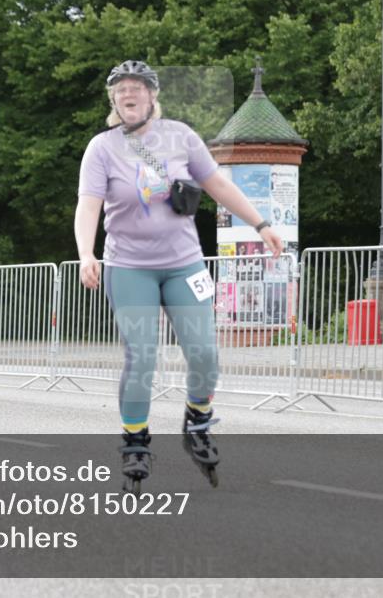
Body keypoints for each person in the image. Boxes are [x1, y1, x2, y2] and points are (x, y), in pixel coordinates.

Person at [74, 60, 283, 490]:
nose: (128, 94)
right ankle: (135, 441)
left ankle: (198, 421)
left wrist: (260, 225)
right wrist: (85, 252)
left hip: (183, 264)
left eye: (136, 87)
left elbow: (218, 186)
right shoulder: (102, 148)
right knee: (142, 357)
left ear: (152, 95)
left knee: (205, 354)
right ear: (113, 100)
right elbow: (88, 204)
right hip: (129, 267)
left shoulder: (181, 137)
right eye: (120, 90)